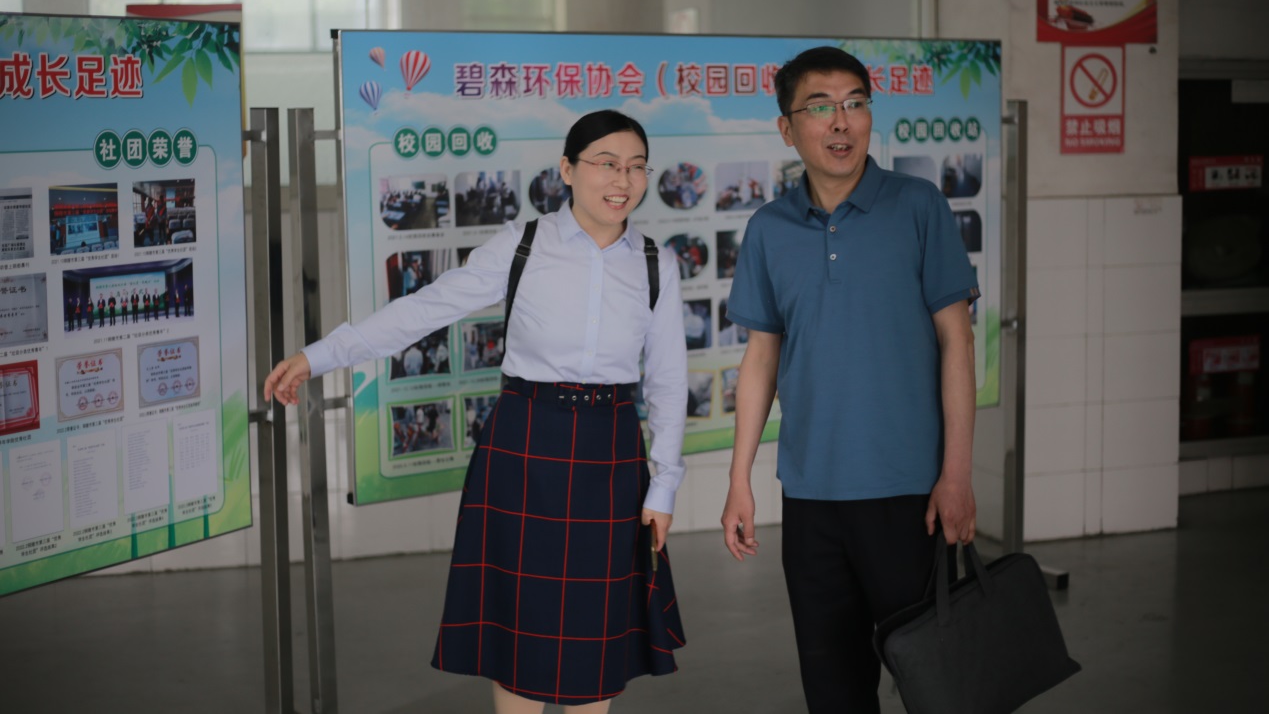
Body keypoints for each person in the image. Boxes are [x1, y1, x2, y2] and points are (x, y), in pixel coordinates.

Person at [265, 110, 689, 713]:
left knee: (598, 627)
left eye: (637, 167)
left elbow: (668, 381)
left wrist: (664, 484)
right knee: (519, 617)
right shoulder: (522, 245)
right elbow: (424, 309)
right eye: (606, 163)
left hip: (612, 452)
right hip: (524, 441)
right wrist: (319, 356)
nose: (623, 180)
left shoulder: (654, 262)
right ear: (567, 170)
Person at [720, 47, 979, 713]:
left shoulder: (918, 207)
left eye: (855, 103)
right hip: (811, 495)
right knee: (832, 686)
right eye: (820, 107)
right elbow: (760, 358)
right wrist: (739, 479)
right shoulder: (769, 229)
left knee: (935, 684)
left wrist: (955, 474)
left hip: (909, 491)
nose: (842, 122)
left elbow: (957, 341)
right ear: (787, 128)